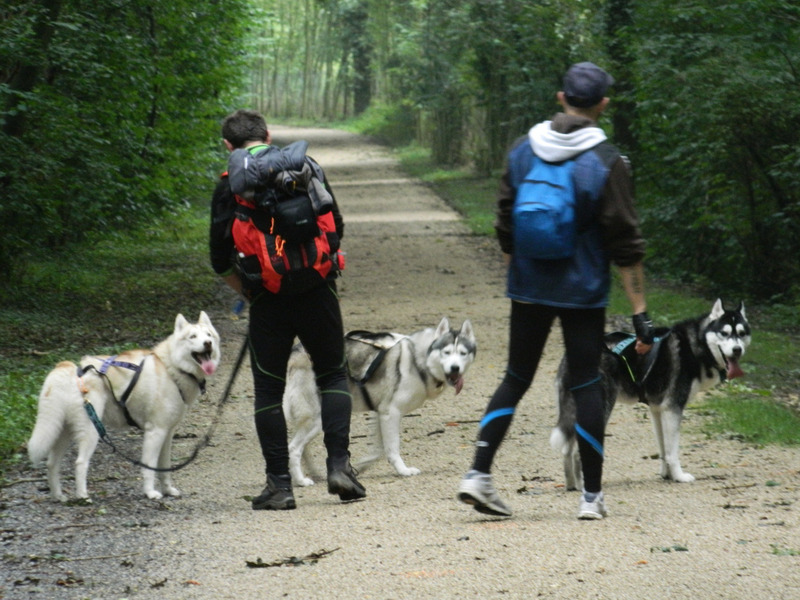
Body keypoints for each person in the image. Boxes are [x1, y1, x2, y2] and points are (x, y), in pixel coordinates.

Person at [457, 62, 654, 520]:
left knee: (515, 378)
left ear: (561, 97)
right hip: (582, 289)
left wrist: (519, 274)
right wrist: (640, 310)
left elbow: (505, 221)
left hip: (527, 285)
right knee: (586, 381)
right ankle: (591, 499)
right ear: (603, 104)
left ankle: (478, 475)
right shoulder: (608, 161)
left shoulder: (524, 150)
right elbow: (626, 243)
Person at [209, 109, 365, 510]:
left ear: (228, 146)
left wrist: (251, 287)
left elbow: (218, 257)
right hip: (319, 291)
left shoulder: (230, 185)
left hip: (267, 299)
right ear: (269, 135)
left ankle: (280, 486)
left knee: (268, 388)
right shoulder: (305, 168)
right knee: (332, 374)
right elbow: (337, 226)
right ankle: (340, 468)